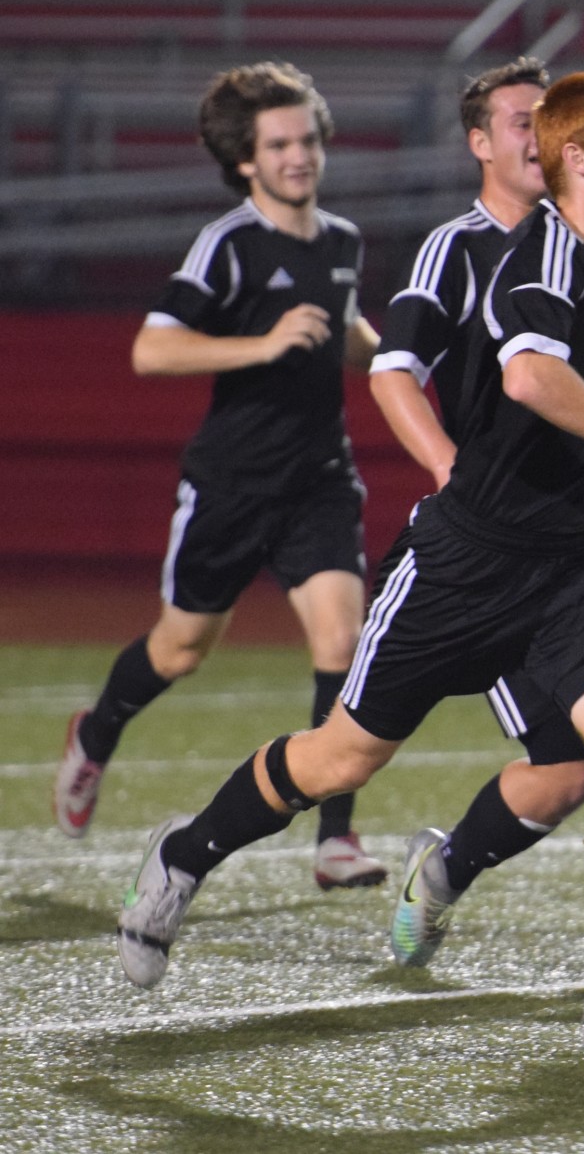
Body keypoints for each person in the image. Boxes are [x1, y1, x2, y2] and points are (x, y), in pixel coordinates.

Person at [116, 68, 584, 1061]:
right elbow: (526, 374)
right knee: (341, 757)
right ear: (578, 161)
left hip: (573, 562)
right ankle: (185, 851)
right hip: (466, 561)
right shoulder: (533, 255)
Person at [366, 59, 584, 981]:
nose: (535, 137)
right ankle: (445, 872)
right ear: (485, 143)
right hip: (497, 543)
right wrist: (451, 471)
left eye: (544, 118)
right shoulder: (470, 249)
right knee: (568, 768)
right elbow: (405, 374)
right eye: (517, 122)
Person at [54, 61, 388, 891]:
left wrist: (398, 360)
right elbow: (151, 346)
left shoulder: (342, 240)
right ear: (246, 158)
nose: (300, 156)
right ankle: (95, 736)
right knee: (178, 650)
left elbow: (343, 330)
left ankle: (334, 842)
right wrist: (262, 344)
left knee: (343, 643)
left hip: (318, 480)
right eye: (280, 144)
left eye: (308, 138)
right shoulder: (228, 243)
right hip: (231, 486)